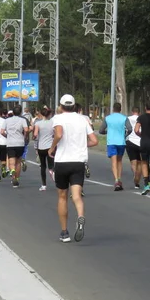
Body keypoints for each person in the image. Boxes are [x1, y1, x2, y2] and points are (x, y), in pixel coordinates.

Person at [49, 94, 98, 243]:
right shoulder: (82, 119)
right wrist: (82, 145)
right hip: (78, 162)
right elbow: (94, 141)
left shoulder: (58, 118)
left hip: (62, 161)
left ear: (61, 106)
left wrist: (52, 148)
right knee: (76, 196)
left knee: (62, 196)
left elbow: (58, 133)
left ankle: (64, 232)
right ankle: (80, 217)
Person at [100, 102, 132, 191]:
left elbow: (101, 130)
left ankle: (116, 180)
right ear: (120, 109)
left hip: (111, 142)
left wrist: (107, 132)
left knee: (113, 162)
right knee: (119, 161)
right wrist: (125, 135)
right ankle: (119, 178)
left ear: (113, 109)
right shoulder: (124, 118)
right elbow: (130, 129)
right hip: (121, 142)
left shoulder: (108, 118)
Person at [1, 105, 29, 188]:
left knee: (11, 161)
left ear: (13, 112)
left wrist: (7, 136)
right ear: (20, 112)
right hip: (20, 143)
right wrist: (24, 136)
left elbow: (2, 132)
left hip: (10, 143)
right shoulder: (22, 120)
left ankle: (12, 172)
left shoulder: (7, 120)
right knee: (18, 162)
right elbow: (27, 130)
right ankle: (17, 178)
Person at [34, 107, 55, 191]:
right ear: (49, 114)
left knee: (43, 166)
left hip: (41, 147)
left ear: (41, 114)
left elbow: (35, 135)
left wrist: (35, 137)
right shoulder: (53, 123)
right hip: (50, 147)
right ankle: (52, 171)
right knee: (51, 164)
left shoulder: (38, 124)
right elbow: (55, 133)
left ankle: (43, 185)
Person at [126, 107, 143, 189]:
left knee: (133, 162)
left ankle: (135, 174)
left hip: (130, 141)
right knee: (140, 162)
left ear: (132, 112)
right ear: (139, 112)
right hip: (140, 141)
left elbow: (126, 129)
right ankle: (137, 180)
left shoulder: (128, 118)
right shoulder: (142, 118)